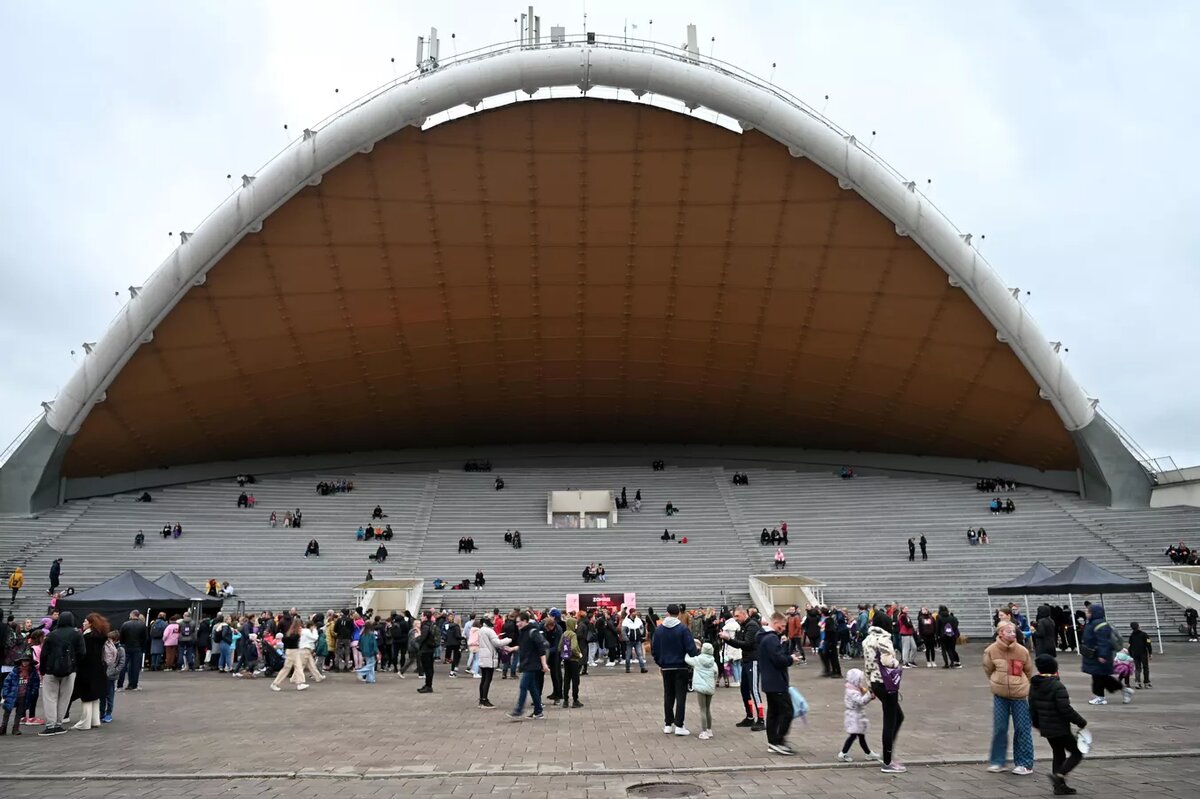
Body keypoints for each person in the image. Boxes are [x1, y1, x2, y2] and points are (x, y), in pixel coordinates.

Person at [1029, 654, 1089, 795]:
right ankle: (1059, 775)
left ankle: (1059, 787)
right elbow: (1065, 709)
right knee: (1077, 752)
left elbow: (1032, 708)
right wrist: (1080, 722)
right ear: (1055, 668)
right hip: (1060, 728)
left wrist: (1037, 724)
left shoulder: (1035, 685)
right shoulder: (1057, 685)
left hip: (1046, 727)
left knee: (1058, 753)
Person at [982, 621, 1034, 775]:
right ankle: (998, 761)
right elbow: (988, 669)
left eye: (1014, 631)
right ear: (1000, 634)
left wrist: (1022, 685)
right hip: (1000, 695)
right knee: (1000, 728)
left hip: (1020, 695)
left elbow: (1029, 671)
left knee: (1022, 729)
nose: (1012, 634)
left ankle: (1025, 763)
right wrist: (997, 682)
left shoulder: (1022, 651)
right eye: (1008, 631)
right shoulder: (990, 651)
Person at [861, 614, 906, 772]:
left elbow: (867, 665)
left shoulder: (867, 640)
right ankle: (888, 761)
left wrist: (869, 686)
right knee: (891, 719)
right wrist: (897, 663)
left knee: (897, 716)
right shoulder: (884, 639)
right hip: (886, 683)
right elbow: (887, 661)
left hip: (875, 682)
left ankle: (888, 751)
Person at [650, 603, 698, 735]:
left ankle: (667, 724)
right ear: (678, 614)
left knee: (668, 695)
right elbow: (691, 648)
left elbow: (654, 649)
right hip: (680, 666)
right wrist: (695, 656)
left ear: (667, 613)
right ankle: (679, 725)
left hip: (665, 666)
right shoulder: (682, 629)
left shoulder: (659, 630)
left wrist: (660, 662)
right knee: (680, 696)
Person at [758, 611, 801, 755]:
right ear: (775, 623)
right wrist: (791, 659)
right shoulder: (771, 639)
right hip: (776, 681)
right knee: (787, 711)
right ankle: (778, 740)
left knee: (774, 712)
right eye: (781, 626)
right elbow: (779, 660)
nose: (783, 629)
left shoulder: (765, 637)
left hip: (769, 681)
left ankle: (773, 742)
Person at [38, 610, 85, 735]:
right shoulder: (77, 634)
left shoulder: (52, 634)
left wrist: (42, 669)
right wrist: (74, 665)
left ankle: (50, 725)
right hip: (70, 670)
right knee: (64, 697)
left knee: (50, 697)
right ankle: (59, 724)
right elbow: (82, 653)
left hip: (50, 670)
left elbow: (44, 654)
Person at [721, 606, 765, 730]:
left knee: (754, 690)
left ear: (744, 614)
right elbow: (739, 643)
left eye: (737, 616)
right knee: (744, 689)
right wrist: (727, 640)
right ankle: (750, 716)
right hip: (746, 660)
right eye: (734, 616)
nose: (736, 619)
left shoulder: (752, 626)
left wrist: (729, 639)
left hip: (753, 660)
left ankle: (761, 719)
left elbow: (747, 644)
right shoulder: (743, 626)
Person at [1079, 604, 1130, 705]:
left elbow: (1103, 642)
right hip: (1093, 655)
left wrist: (1102, 655)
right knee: (1101, 677)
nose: (1086, 613)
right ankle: (1124, 691)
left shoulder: (1100, 625)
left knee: (1099, 677)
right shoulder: (1092, 623)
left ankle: (1101, 697)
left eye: (1088, 612)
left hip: (1099, 655)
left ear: (1093, 613)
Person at [70, 613, 109, 731]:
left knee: (86, 696)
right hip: (98, 669)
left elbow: (82, 655)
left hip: (86, 669)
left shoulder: (87, 637)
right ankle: (94, 719)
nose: (83, 623)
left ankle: (85, 722)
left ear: (91, 623)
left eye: (85, 621)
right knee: (94, 696)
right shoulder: (100, 637)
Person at [506, 611, 549, 721]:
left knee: (523, 686)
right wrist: (512, 649)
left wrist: (544, 664)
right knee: (532, 688)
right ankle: (538, 711)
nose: (517, 624)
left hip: (532, 664)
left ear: (525, 621)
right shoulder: (523, 632)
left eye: (519, 622)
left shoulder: (533, 632)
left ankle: (519, 710)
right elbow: (523, 646)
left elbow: (541, 649)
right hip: (526, 663)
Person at [836, 667, 880, 761]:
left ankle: (868, 753)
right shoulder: (852, 692)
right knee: (854, 735)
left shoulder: (853, 689)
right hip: (854, 716)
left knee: (860, 735)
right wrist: (869, 696)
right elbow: (860, 701)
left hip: (856, 715)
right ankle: (843, 753)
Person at [685, 641, 719, 741]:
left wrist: (686, 651)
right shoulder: (713, 662)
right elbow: (716, 674)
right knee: (708, 709)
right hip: (710, 688)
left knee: (702, 709)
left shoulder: (697, 660)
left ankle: (704, 732)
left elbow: (687, 660)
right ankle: (709, 730)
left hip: (700, 688)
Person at [476, 614, 511, 708]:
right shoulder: (489, 631)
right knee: (488, 679)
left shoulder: (482, 630)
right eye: (493, 619)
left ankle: (482, 699)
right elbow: (497, 643)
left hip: (483, 654)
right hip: (489, 656)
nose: (494, 621)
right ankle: (484, 700)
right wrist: (508, 639)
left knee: (484, 679)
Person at [2, 651, 40, 735]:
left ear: (30, 662)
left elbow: (36, 683)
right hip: (12, 695)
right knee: (7, 712)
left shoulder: (32, 672)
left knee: (19, 713)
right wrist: (5, 693)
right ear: (20, 662)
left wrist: (33, 692)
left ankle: (15, 729)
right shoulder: (15, 671)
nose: (25, 663)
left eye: (27, 661)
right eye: (23, 661)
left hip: (24, 696)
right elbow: (7, 682)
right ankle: (3, 727)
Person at [270, 617, 308, 692]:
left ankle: (275, 683)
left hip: (291, 651)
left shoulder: (290, 631)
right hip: (293, 651)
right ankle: (299, 683)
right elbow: (292, 640)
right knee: (297, 667)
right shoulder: (295, 633)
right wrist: (299, 635)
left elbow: (284, 639)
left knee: (289, 668)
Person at [118, 610, 148, 690]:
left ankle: (119, 685)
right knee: (135, 668)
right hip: (137, 648)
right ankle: (133, 685)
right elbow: (145, 638)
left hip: (126, 647)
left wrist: (123, 644)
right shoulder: (142, 625)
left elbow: (121, 637)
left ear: (132, 615)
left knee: (123, 667)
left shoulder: (125, 624)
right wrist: (143, 648)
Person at [100, 630, 124, 723]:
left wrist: (115, 670)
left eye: (110, 640)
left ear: (115, 640)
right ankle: (101, 713)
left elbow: (122, 662)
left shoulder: (120, 649)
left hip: (111, 675)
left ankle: (108, 713)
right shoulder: (105, 647)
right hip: (104, 674)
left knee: (110, 695)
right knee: (102, 695)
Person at [561, 615, 584, 708]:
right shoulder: (573, 634)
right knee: (575, 680)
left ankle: (565, 701)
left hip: (566, 660)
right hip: (574, 660)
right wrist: (578, 654)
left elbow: (559, 646)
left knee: (566, 679)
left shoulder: (564, 634)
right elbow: (574, 647)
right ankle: (575, 700)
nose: (576, 626)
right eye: (575, 624)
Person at [416, 610, 437, 693]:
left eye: (422, 615)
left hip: (426, 649)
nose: (421, 617)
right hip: (429, 648)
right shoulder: (430, 624)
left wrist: (417, 637)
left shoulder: (425, 626)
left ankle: (428, 686)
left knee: (428, 668)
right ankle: (428, 685)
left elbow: (423, 638)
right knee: (429, 668)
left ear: (425, 616)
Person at [622, 608, 648, 673]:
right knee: (628, 654)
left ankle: (642, 668)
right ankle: (627, 668)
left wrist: (640, 633)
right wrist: (626, 638)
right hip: (629, 640)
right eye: (634, 612)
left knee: (639, 654)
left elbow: (642, 627)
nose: (635, 613)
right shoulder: (626, 621)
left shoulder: (638, 620)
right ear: (631, 613)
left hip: (637, 640)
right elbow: (623, 631)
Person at [1128, 622, 1152, 688]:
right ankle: (1146, 682)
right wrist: (1150, 653)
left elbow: (1129, 646)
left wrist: (1130, 654)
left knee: (1137, 668)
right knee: (1145, 667)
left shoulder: (1131, 635)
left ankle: (1137, 682)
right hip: (1143, 653)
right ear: (1138, 626)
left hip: (1135, 654)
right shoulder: (1144, 634)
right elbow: (1148, 644)